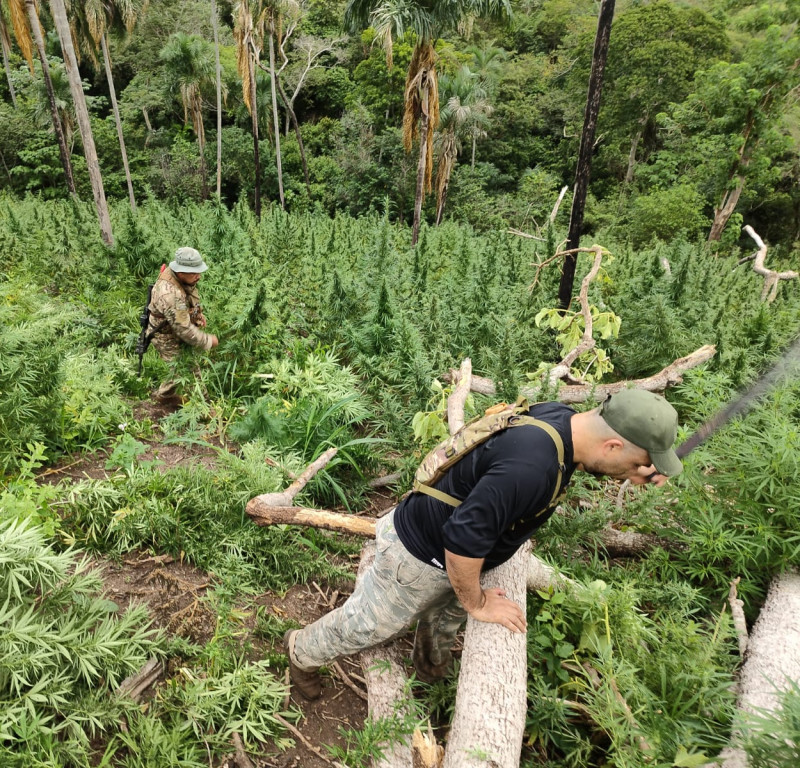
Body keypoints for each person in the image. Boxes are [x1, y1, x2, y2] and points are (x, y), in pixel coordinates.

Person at [283, 389, 683, 700]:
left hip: (450, 554)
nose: (632, 474)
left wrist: (638, 472)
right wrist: (477, 602)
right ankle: (302, 650)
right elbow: (461, 543)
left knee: (446, 613)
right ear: (612, 446)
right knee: (367, 625)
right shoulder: (531, 466)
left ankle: (430, 664)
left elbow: (581, 464)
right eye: (634, 464)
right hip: (419, 557)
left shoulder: (563, 421)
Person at [146, 247, 218, 401]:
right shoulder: (170, 294)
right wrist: (207, 341)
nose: (198, 276)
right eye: (194, 273)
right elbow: (183, 328)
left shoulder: (182, 278)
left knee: (178, 369)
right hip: (164, 334)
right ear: (180, 272)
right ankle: (204, 408)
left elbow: (187, 299)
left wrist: (197, 315)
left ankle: (165, 397)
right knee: (188, 369)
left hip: (174, 325)